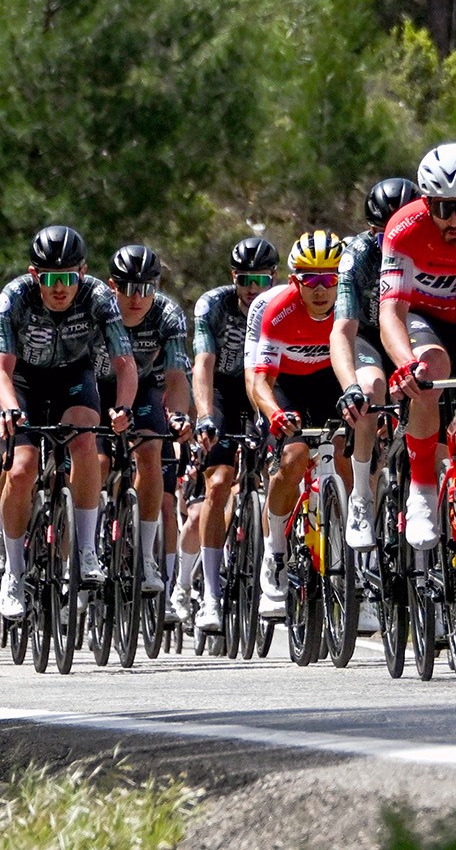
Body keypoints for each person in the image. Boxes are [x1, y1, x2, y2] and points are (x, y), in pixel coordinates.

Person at [0, 225, 134, 623]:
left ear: (82, 273)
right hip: (24, 382)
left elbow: (125, 364)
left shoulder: (99, 297)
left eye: (68, 278)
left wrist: (122, 408)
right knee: (21, 470)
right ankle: (14, 574)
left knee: (85, 441)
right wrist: (9, 409)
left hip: (74, 377)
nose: (59, 288)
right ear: (35, 275)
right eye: (50, 278)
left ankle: (86, 550)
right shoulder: (14, 296)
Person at [381, 142, 456, 550]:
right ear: (426, 204)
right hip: (424, 319)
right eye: (442, 209)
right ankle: (423, 488)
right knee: (429, 366)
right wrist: (405, 363)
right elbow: (392, 312)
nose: (455, 220)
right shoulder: (405, 229)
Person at [245, 229, 353, 620]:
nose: (321, 289)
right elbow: (260, 380)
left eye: (330, 279)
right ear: (295, 281)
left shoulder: (349, 306)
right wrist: (273, 413)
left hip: (330, 381)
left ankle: (351, 566)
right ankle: (274, 553)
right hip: (288, 385)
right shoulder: (279, 310)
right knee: (293, 458)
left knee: (344, 453)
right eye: (311, 279)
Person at [186, 234, 278, 635]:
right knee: (219, 482)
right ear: (233, 277)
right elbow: (203, 365)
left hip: (265, 384)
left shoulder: (281, 303)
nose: (253, 289)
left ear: (274, 278)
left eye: (261, 280)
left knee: (280, 474)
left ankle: (273, 567)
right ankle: (209, 593)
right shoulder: (213, 305)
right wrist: (205, 416)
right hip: (224, 390)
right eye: (245, 280)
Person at [331, 177, 416, 555]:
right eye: (384, 236)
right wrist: (350, 384)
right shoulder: (357, 256)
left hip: (412, 332)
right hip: (368, 336)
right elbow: (342, 330)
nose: (394, 244)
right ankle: (361, 496)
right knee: (370, 391)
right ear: (371, 232)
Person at [102, 243, 192, 597]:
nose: (136, 298)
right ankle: (83, 547)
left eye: (145, 289)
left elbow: (176, 376)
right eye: (127, 288)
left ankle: (145, 555)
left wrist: (181, 416)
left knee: (152, 451)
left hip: (145, 389)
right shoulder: (99, 309)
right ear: (113, 286)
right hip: (98, 385)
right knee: (93, 457)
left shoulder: (168, 314)